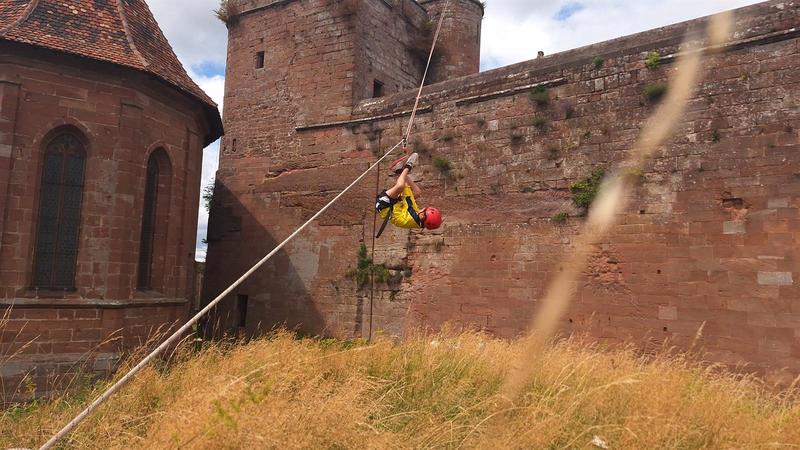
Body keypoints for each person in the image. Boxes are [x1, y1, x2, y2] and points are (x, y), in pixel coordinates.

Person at [375, 152, 442, 237]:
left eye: (425, 210)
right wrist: (404, 176)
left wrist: (407, 169)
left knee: (400, 186)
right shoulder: (419, 220)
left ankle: (407, 167)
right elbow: (410, 198)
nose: (423, 208)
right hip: (397, 205)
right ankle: (401, 172)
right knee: (418, 192)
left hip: (385, 205)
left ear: (422, 216)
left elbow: (406, 197)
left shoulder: (412, 217)